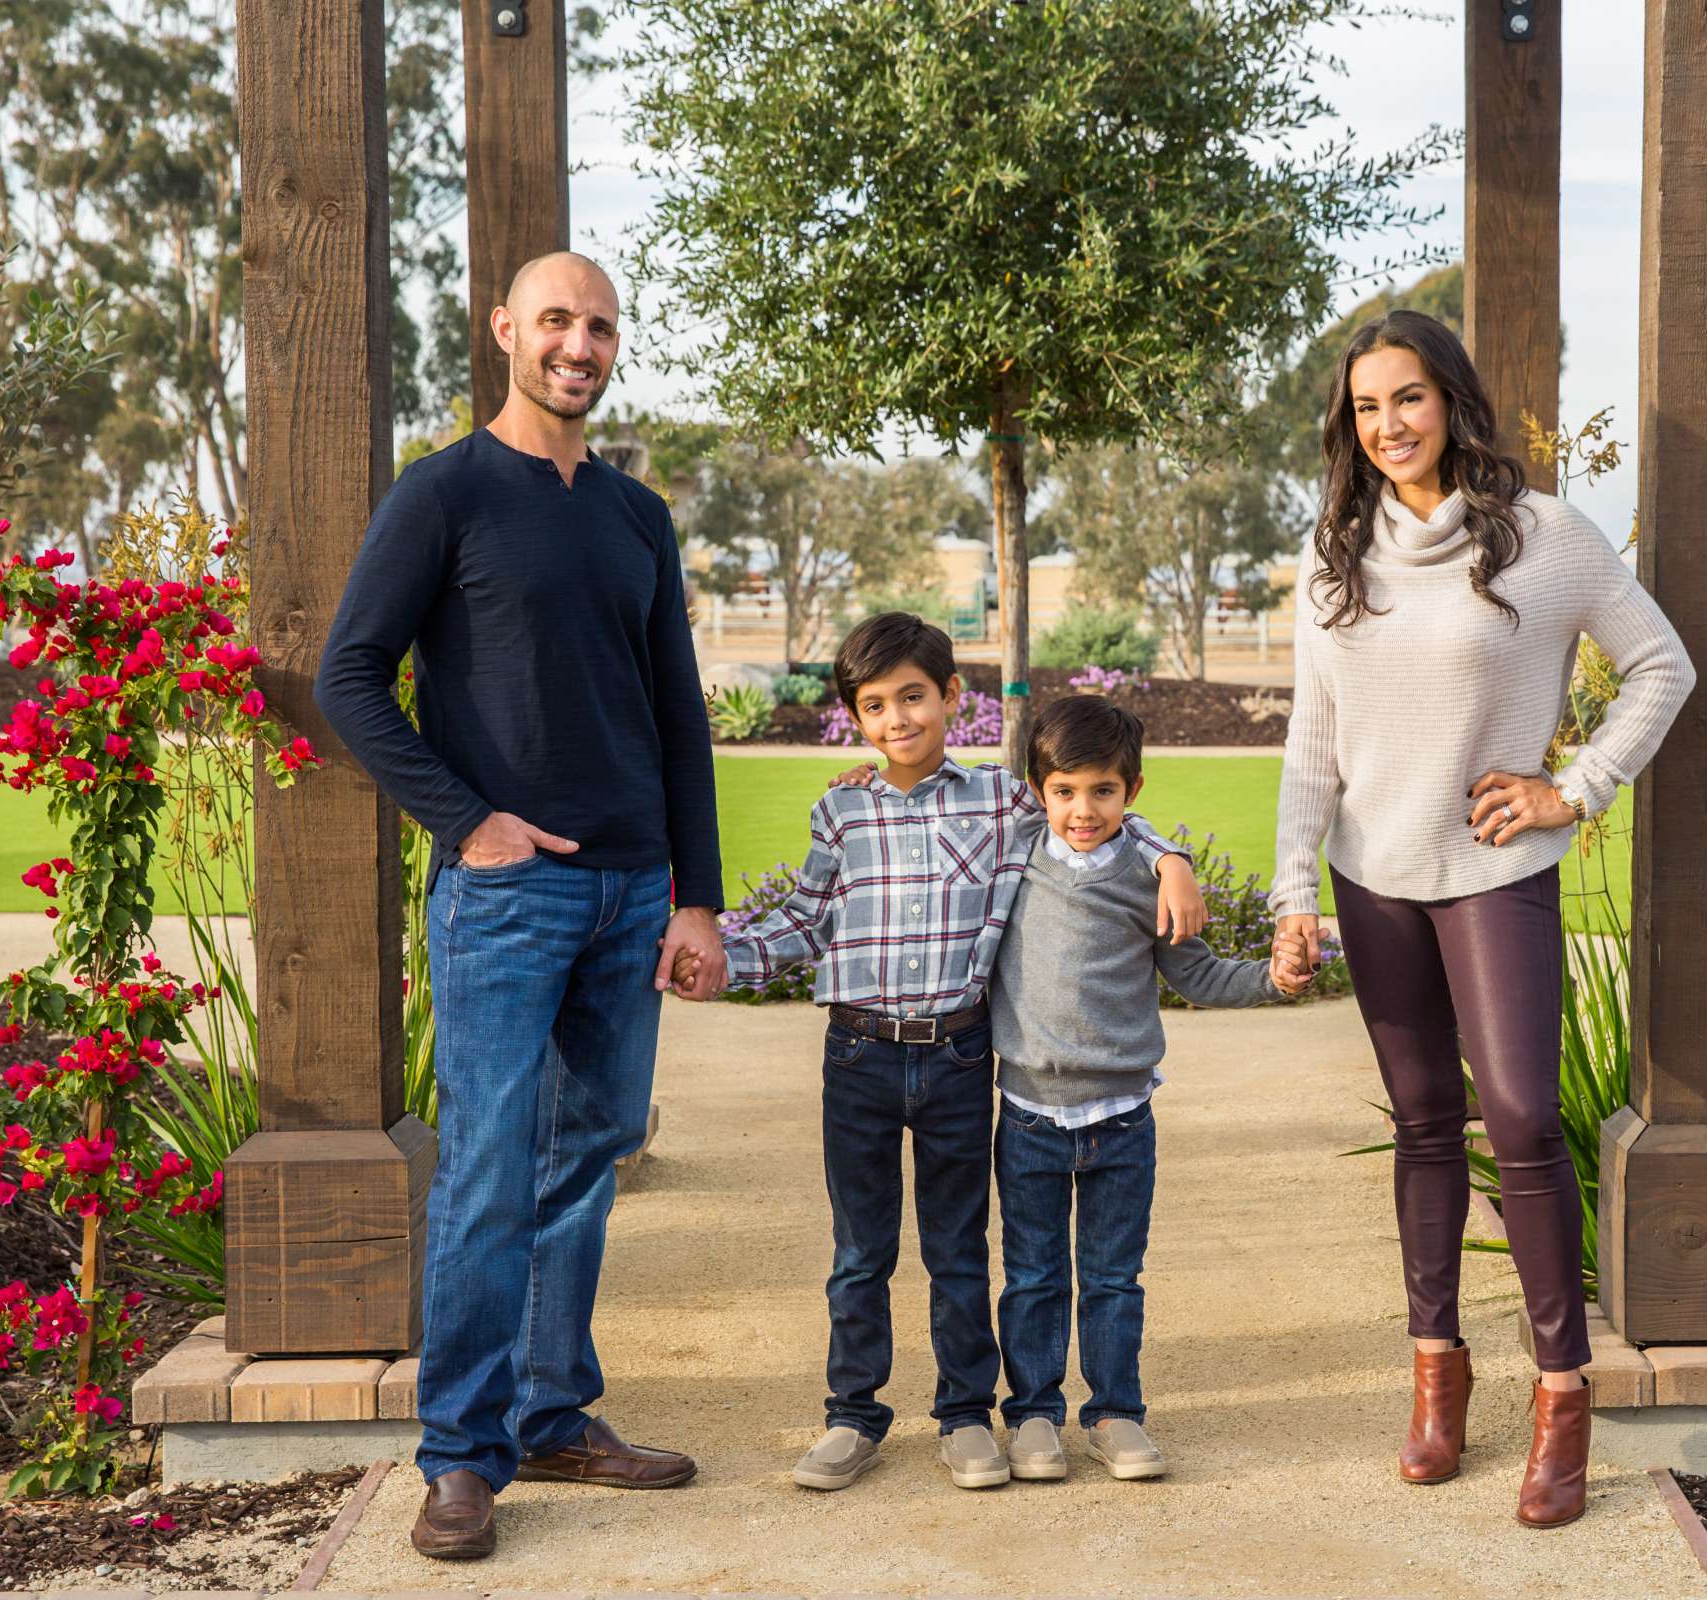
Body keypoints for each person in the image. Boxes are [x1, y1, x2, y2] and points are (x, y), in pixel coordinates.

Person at [315, 252, 727, 1562]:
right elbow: (349, 677)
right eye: (557, 320)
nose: (580, 343)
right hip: (506, 901)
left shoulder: (634, 515)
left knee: (584, 1157)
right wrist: (466, 821)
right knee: (490, 1172)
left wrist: (695, 901)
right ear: (505, 331)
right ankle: (460, 1457)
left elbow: (677, 717)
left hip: (626, 899)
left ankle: (553, 1413)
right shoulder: (443, 495)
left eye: (600, 325)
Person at [1266, 309, 1694, 1529]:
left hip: (1496, 867)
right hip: (1375, 873)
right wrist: (1296, 889)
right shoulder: (1334, 553)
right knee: (1422, 1122)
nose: (1388, 424)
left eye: (1408, 397)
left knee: (1518, 1115)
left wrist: (1575, 786)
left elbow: (1661, 664)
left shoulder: (1543, 537)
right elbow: (1316, 737)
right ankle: (1437, 1374)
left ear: (1451, 399)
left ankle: (1564, 1394)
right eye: (1365, 407)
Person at [675, 612, 1206, 1493]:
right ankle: (852, 1415)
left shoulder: (1001, 803)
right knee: (861, 1251)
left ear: (953, 698)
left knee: (960, 1248)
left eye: (914, 697)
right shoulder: (840, 809)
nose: (897, 720)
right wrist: (727, 956)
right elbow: (808, 920)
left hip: (960, 1058)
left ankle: (965, 1414)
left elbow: (1095, 810)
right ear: (854, 716)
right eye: (875, 705)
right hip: (858, 1058)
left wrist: (1172, 853)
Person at [988, 695, 1310, 1484]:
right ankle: (1033, 1413)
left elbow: (1195, 973)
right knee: (1031, 1276)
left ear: (1132, 791)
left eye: (1102, 791)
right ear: (1038, 790)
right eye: (1063, 791)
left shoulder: (1144, 875)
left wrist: (1272, 978)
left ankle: (1116, 1413)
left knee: (1111, 1278)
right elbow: (942, 800)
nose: (1081, 809)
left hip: (1122, 1119)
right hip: (1028, 1114)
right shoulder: (1012, 853)